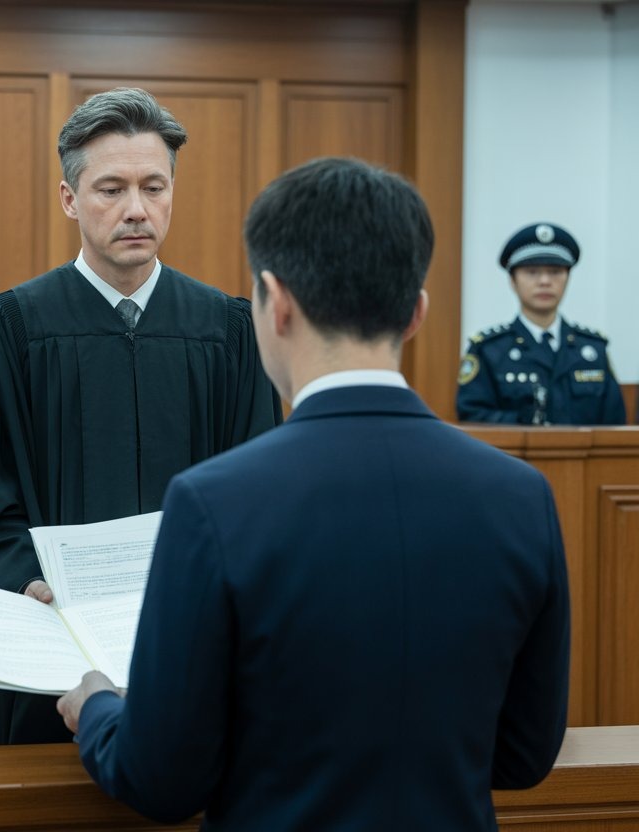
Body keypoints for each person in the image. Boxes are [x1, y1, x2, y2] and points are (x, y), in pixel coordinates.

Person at [57, 158, 570, 830]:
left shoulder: (215, 503)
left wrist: (97, 706)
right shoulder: (522, 497)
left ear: (276, 302)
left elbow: (163, 779)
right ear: (416, 313)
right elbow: (524, 755)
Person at [0, 87, 282, 745]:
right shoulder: (11, 328)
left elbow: (256, 493)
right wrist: (29, 584)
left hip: (192, 641)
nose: (136, 209)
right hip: (51, 654)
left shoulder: (229, 332)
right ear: (70, 199)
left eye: (154, 187)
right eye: (111, 189)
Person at [457, 222, 625, 425]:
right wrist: (528, 425)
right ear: (512, 281)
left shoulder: (593, 350)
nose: (545, 281)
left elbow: (615, 425)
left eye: (555, 272)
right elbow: (472, 417)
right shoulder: (489, 350)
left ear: (567, 278)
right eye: (532, 272)